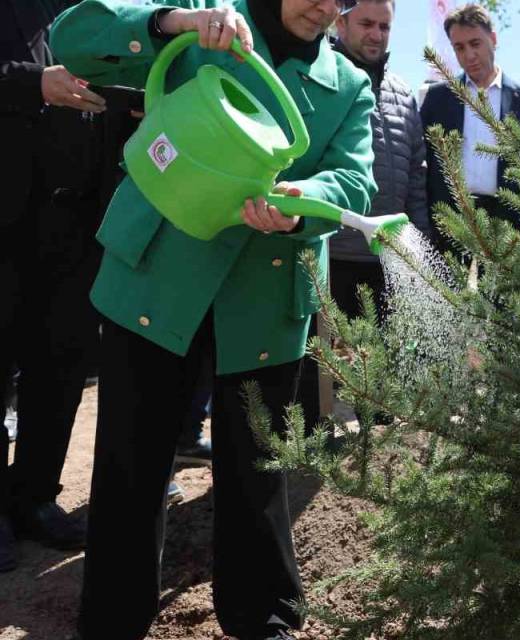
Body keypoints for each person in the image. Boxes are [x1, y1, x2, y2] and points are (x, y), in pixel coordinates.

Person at [49, 0, 377, 637]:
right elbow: (75, 39)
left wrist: (307, 202)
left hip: (263, 300)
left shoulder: (349, 86)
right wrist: (171, 23)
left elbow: (353, 182)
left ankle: (265, 619)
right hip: (158, 280)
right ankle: (112, 622)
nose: (325, 8)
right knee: (130, 468)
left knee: (258, 474)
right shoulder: (207, 20)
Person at [0, 0, 107, 573]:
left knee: (60, 368)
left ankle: (35, 496)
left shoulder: (87, 13)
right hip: (5, 221)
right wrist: (34, 84)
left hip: (72, 227)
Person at [332, 0, 429, 318]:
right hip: (330, 260)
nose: (376, 34)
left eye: (384, 26)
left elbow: (416, 180)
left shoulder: (403, 93)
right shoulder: (321, 78)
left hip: (390, 261)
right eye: (366, 24)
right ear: (340, 23)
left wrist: (420, 250)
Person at [420, 3, 520, 251]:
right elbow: (423, 164)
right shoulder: (436, 99)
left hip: (508, 228)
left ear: (493, 39)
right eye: (459, 47)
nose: (469, 55)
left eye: (475, 44)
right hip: (449, 223)